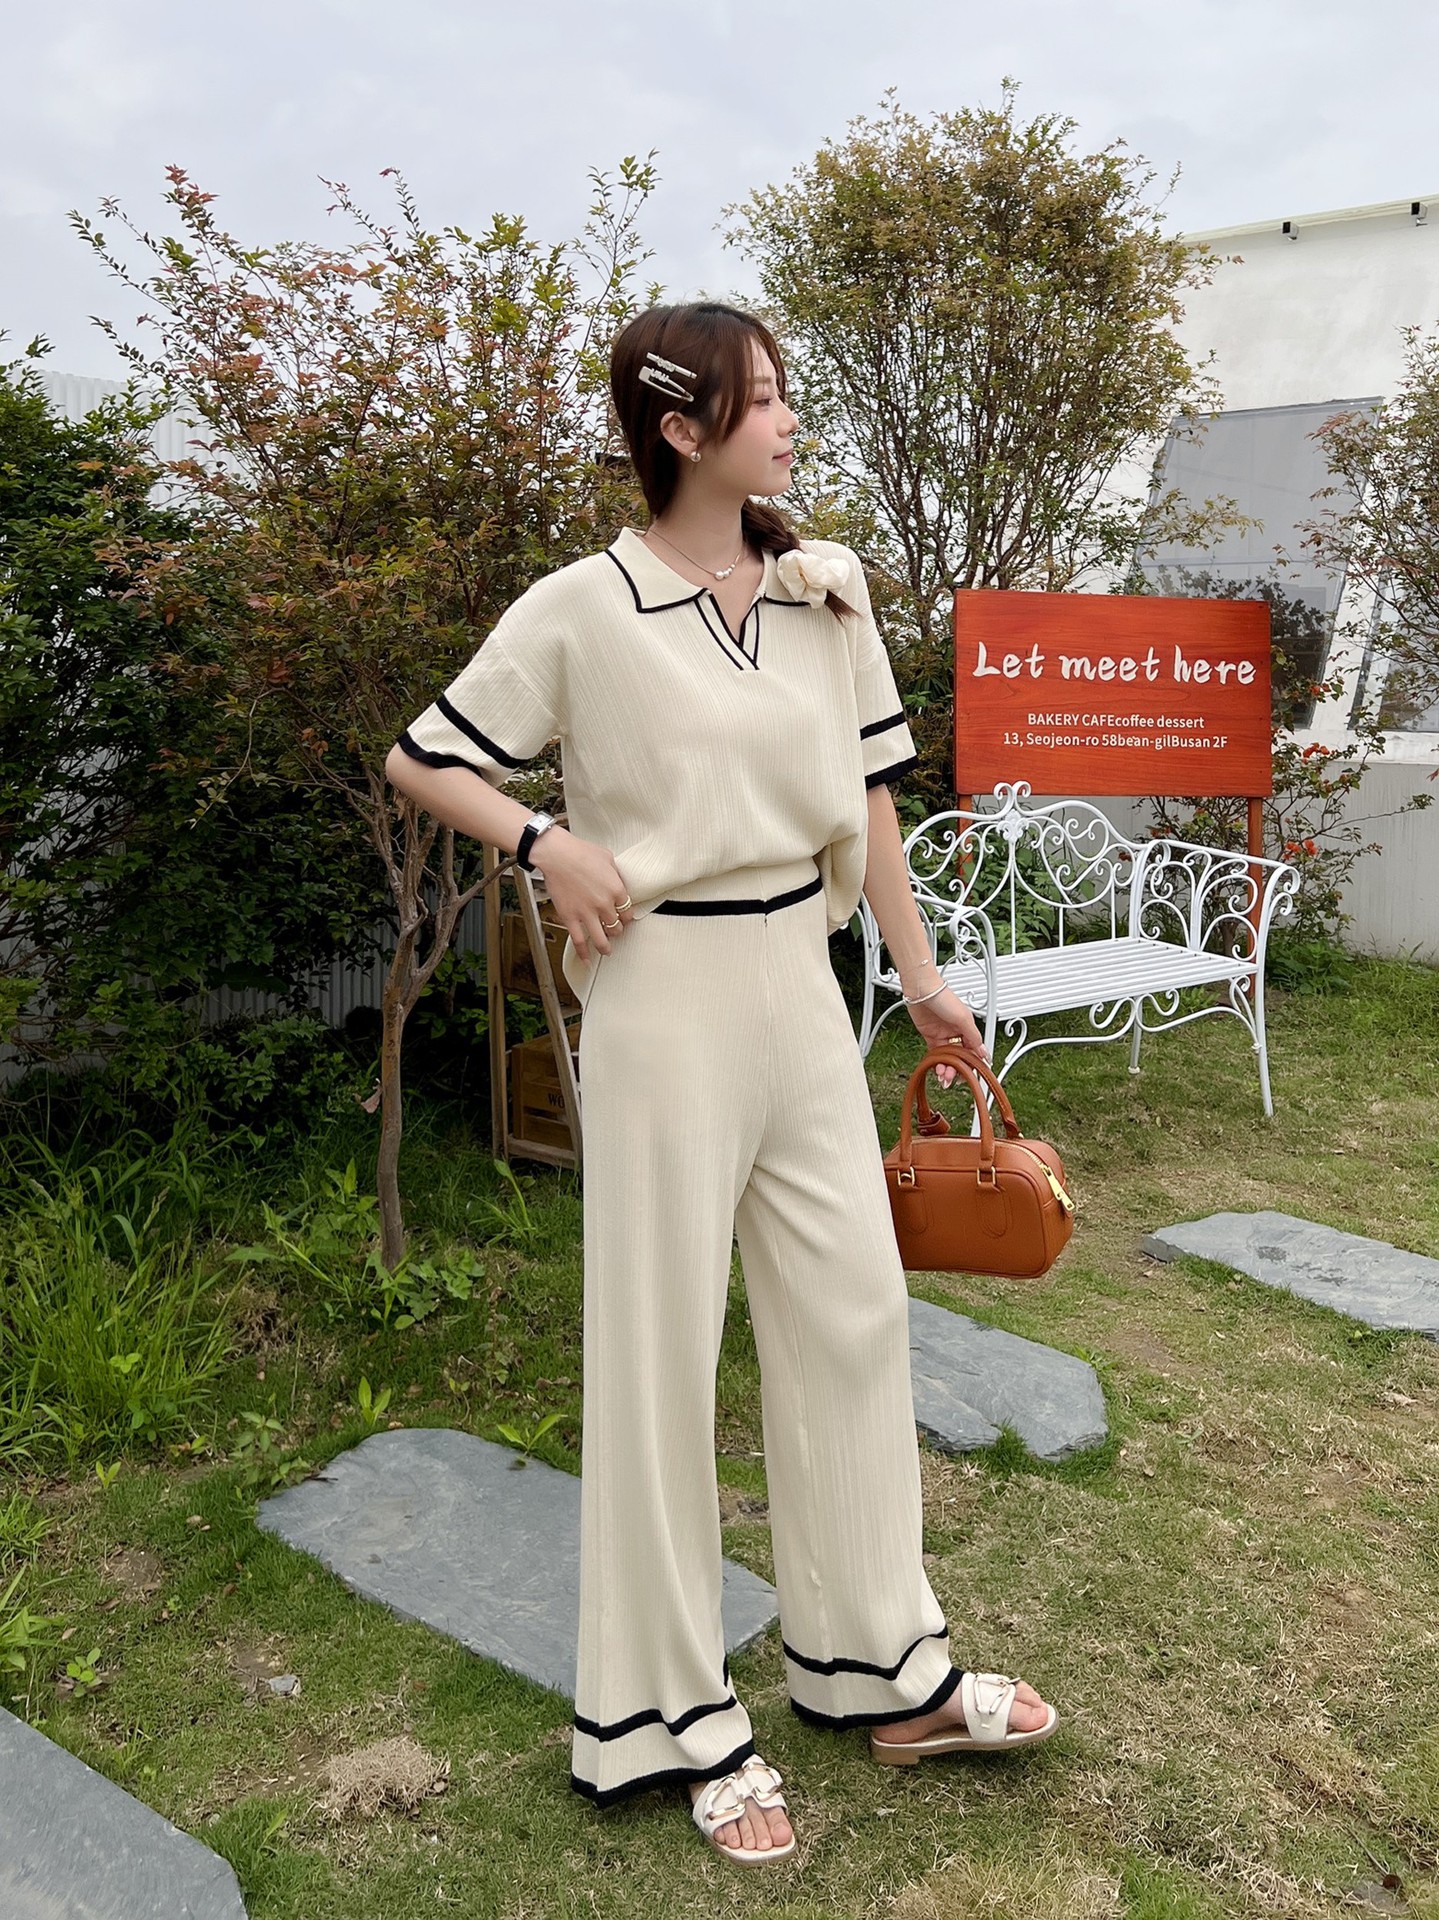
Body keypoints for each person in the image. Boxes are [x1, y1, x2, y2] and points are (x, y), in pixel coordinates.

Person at [385, 301, 1056, 1867]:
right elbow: (426, 756)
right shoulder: (582, 607)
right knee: (661, 1351)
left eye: (786, 396)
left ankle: (878, 1663)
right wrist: (546, 844)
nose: (789, 422)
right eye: (762, 402)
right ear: (681, 429)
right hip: (663, 995)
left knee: (854, 1312)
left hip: (803, 987)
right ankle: (673, 1714)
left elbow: (870, 806)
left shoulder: (828, 596)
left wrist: (925, 979)